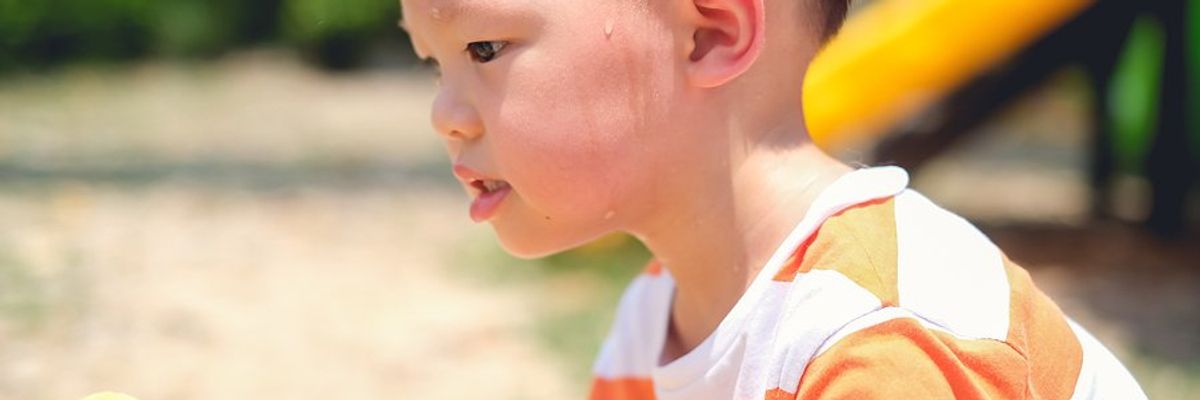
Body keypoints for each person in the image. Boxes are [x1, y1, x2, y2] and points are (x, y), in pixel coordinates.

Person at [398, 0, 1146, 398]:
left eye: (484, 50)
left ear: (708, 35)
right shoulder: (654, 320)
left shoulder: (883, 338)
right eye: (434, 66)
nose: (444, 115)